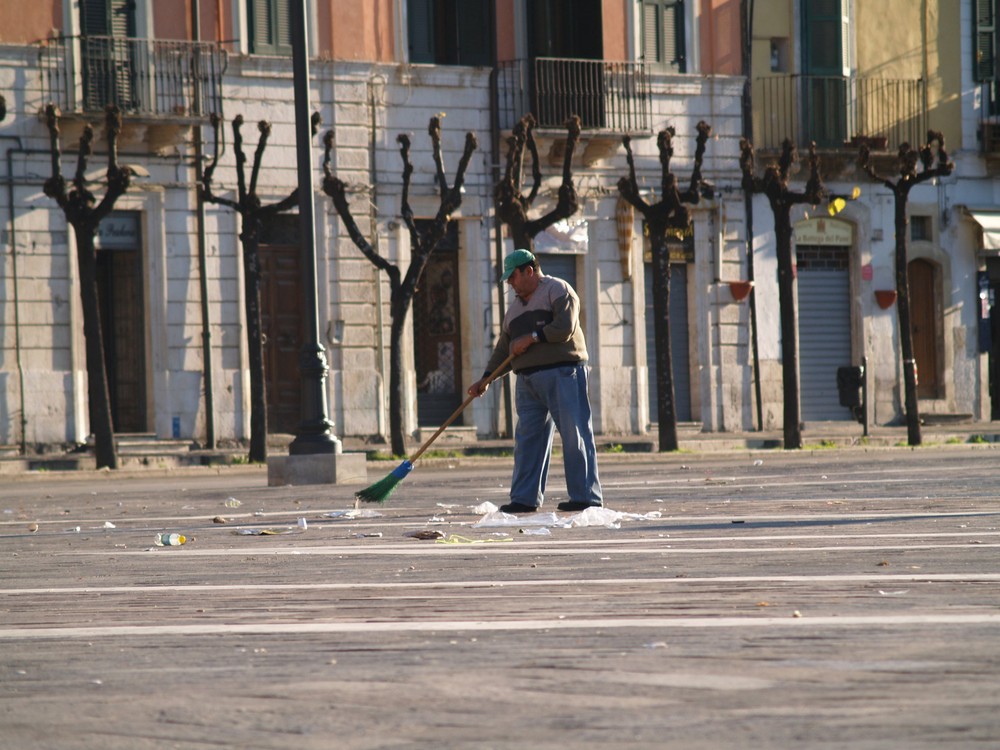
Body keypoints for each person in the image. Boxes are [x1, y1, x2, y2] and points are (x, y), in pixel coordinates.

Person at [467, 248, 603, 514]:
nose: (510, 283)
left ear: (529, 270)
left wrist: (532, 338)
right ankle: (525, 498)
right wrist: (486, 378)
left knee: (575, 435)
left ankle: (586, 496)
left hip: (563, 373)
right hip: (527, 381)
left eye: (513, 277)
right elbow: (504, 349)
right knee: (528, 440)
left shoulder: (558, 290)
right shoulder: (514, 310)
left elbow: (564, 327)